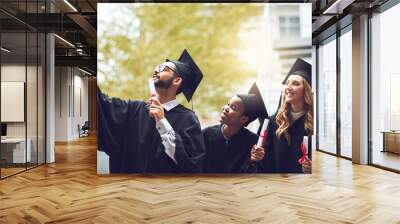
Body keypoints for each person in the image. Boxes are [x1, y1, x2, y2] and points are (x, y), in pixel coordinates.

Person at [97, 49, 205, 173]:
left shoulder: (188, 119)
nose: (156, 70)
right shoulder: (134, 109)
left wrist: (162, 121)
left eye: (164, 69)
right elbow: (102, 105)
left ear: (177, 80)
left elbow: (190, 163)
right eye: (157, 68)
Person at [255, 58, 313, 173]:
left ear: (306, 91)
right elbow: (264, 160)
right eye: (287, 83)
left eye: (295, 83)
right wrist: (257, 156)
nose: (288, 87)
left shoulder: (314, 123)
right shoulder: (273, 122)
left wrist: (313, 169)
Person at [202, 83, 268, 173]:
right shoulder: (206, 134)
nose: (225, 108)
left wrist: (253, 161)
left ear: (244, 119)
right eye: (228, 104)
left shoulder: (253, 143)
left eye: (233, 107)